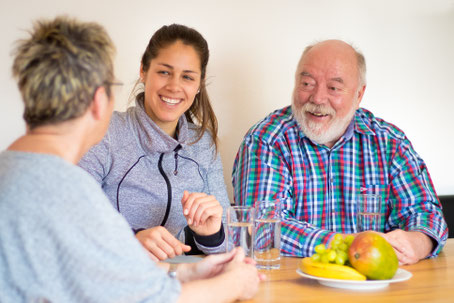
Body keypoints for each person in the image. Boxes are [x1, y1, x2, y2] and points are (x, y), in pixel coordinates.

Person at [0, 16, 262, 302]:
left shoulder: (15, 169)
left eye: (187, 76)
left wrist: (187, 273)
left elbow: (99, 274)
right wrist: (235, 284)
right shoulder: (70, 193)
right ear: (99, 101)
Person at [232, 39, 448, 265]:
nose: (317, 98)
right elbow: (262, 229)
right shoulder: (267, 140)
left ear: (359, 95)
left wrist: (418, 241)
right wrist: (348, 245)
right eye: (307, 83)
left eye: (333, 88)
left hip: (375, 284)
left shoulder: (389, 143)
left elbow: (427, 214)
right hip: (296, 286)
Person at [78, 24, 229, 261]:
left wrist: (212, 233)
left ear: (199, 84)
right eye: (164, 72)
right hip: (108, 275)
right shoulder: (105, 133)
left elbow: (230, 245)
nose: (174, 86)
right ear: (143, 70)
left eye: (187, 77)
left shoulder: (203, 143)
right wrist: (131, 240)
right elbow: (68, 218)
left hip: (174, 281)